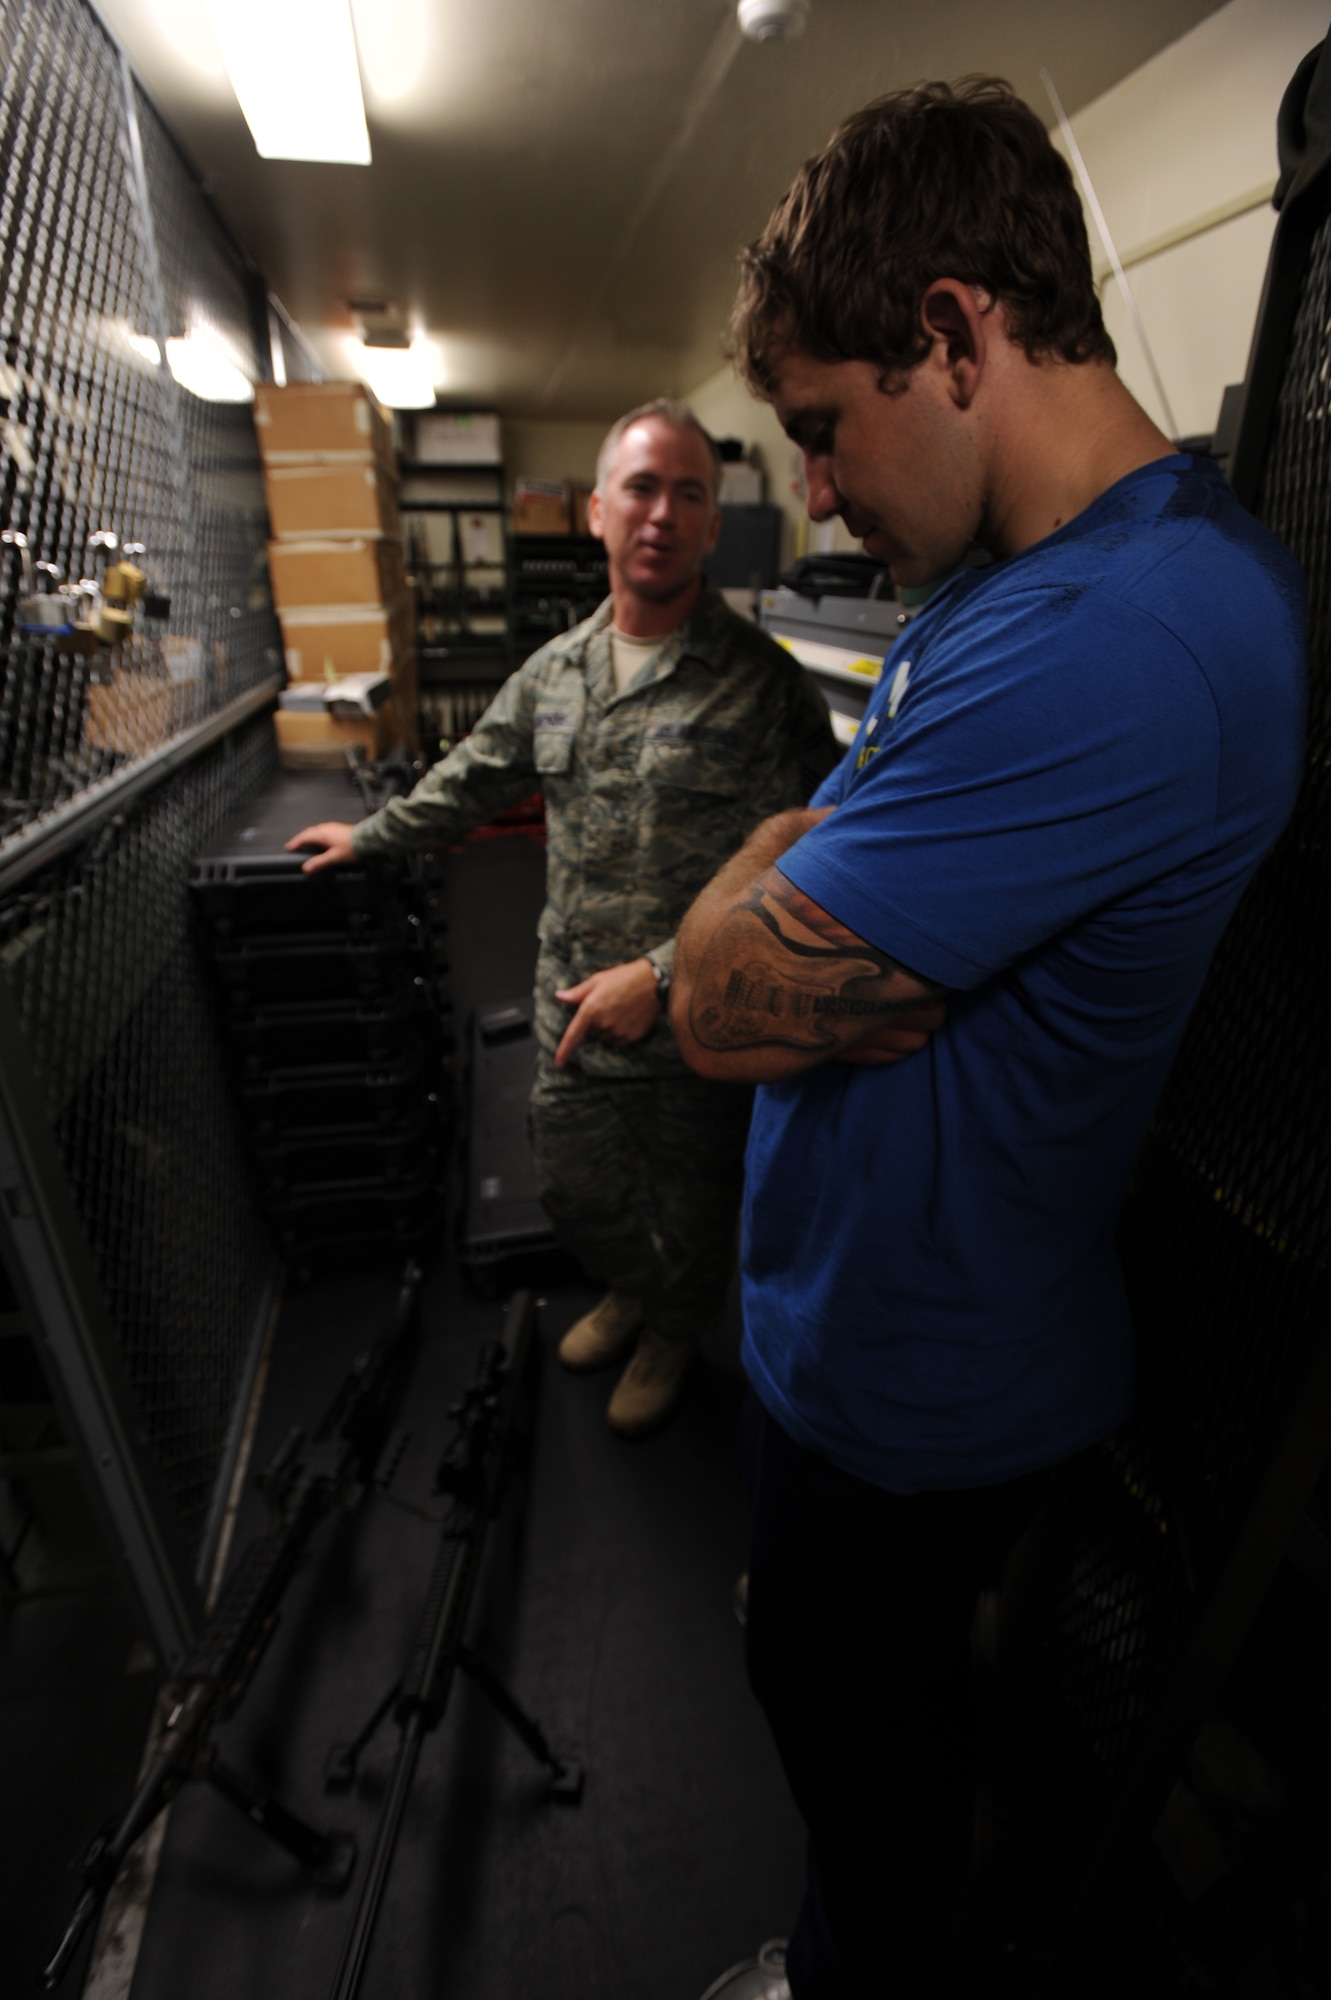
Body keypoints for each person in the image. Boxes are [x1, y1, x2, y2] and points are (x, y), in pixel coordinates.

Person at [670, 80, 1306, 2000]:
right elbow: (817, 891)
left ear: (951, 335)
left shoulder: (1124, 635)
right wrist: (803, 868)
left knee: (876, 1774)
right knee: (847, 1724)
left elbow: (724, 1003)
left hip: (915, 1389)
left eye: (821, 434)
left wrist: (761, 886)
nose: (821, 497)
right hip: (861, 1331)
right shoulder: (1004, 592)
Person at [287, 399, 837, 1437]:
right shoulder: (554, 674)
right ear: (596, 511)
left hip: (689, 1025)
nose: (661, 512)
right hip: (569, 1009)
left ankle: (672, 1325)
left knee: (691, 1201)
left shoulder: (762, 690)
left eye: (688, 493)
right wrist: (366, 838)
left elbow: (806, 860)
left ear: (714, 525)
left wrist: (667, 972)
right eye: (640, 487)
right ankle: (631, 1289)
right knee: (576, 1190)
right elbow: (473, 776)